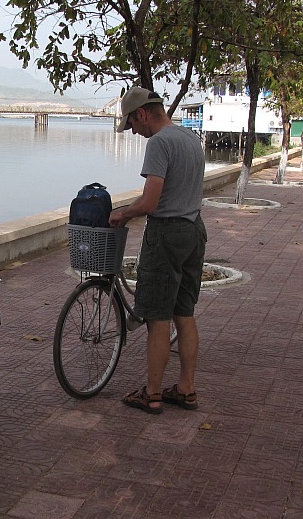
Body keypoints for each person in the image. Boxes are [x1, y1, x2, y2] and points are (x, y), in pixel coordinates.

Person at [108, 86, 207, 414]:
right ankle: (186, 389)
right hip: (194, 230)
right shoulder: (191, 138)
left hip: (167, 234)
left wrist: (123, 213)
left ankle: (151, 394)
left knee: (158, 317)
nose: (135, 131)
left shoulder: (160, 143)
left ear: (142, 113)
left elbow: (150, 202)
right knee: (185, 313)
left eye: (133, 124)